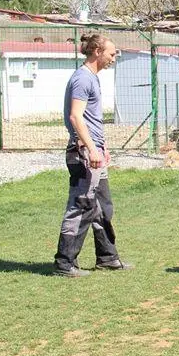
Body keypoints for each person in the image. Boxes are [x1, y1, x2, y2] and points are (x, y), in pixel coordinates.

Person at [53, 33, 133, 277]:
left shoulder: (92, 78)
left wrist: (102, 145)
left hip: (94, 150)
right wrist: (90, 148)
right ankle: (65, 263)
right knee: (81, 206)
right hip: (84, 155)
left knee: (101, 207)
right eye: (111, 53)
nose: (114, 57)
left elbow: (90, 119)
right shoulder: (82, 79)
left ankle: (107, 258)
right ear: (97, 51)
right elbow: (76, 117)